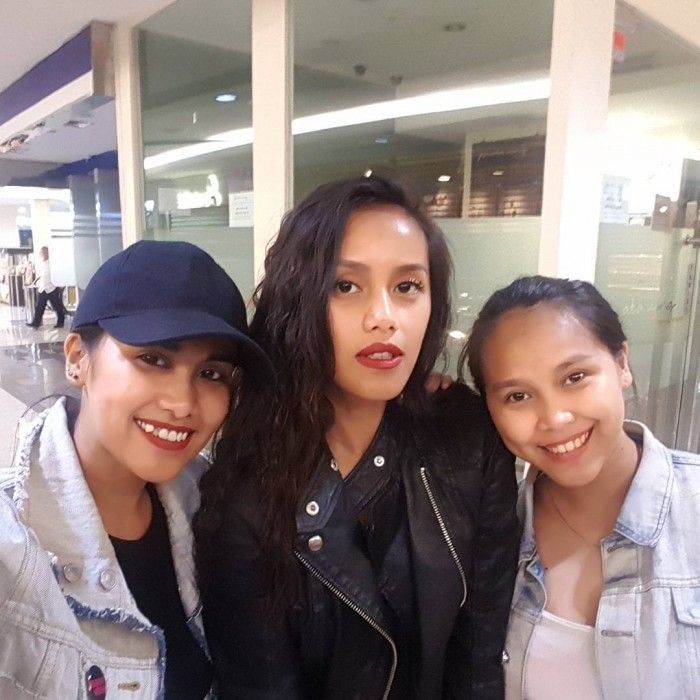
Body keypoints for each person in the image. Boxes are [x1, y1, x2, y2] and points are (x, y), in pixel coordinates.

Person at [195, 176, 519, 699]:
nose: (383, 318)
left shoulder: (466, 438)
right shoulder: (248, 486)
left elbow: (479, 660)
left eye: (407, 287)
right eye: (345, 286)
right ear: (299, 302)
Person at [0, 240, 272, 699]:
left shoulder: (212, 504)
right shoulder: (12, 549)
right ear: (77, 358)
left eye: (211, 374)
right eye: (153, 359)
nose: (182, 404)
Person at [464, 275, 700, 699]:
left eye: (574, 377)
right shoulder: (487, 535)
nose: (555, 418)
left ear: (622, 364)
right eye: (517, 396)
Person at [26, 245, 67, 329]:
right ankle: (36, 323)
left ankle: (61, 322)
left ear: (48, 253)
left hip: (52, 288)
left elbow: (57, 275)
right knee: (39, 307)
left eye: (44, 253)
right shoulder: (42, 264)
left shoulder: (52, 264)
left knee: (57, 306)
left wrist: (60, 285)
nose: (42, 254)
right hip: (43, 289)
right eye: (42, 253)